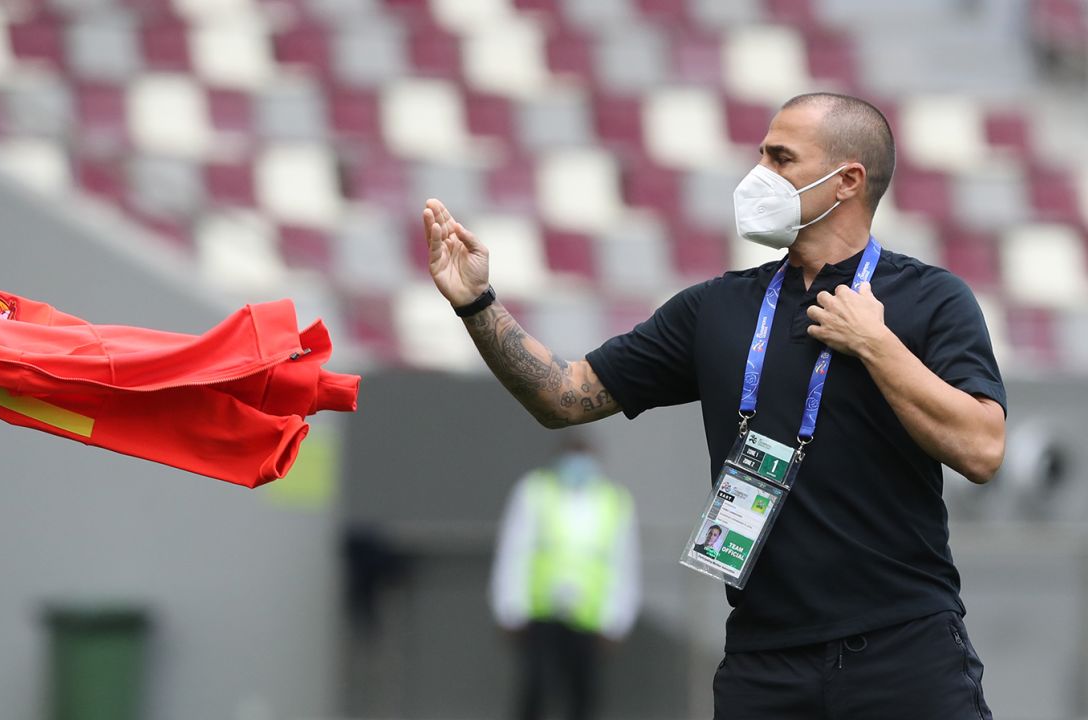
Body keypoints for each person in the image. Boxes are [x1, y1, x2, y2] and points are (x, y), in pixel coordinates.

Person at [423, 92, 1005, 719]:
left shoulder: (930, 299)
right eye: (760, 155)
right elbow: (563, 396)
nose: (759, 175)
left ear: (848, 181)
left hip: (903, 649)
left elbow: (982, 447)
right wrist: (477, 304)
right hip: (764, 661)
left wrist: (876, 345)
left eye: (781, 159)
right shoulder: (716, 309)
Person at [489, 437, 641, 720]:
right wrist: (509, 607)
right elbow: (514, 551)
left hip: (588, 619)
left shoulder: (614, 501)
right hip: (540, 615)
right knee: (535, 692)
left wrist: (617, 620)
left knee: (583, 697)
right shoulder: (534, 491)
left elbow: (623, 563)